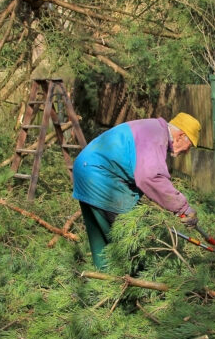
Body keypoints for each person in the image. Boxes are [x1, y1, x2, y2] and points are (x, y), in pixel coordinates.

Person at [72, 113, 201, 270]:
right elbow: (150, 177)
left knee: (102, 242)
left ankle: (103, 285)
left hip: (85, 171)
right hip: (100, 177)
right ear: (181, 135)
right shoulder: (155, 135)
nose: (187, 152)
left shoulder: (150, 128)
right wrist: (183, 208)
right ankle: (133, 286)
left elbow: (133, 168)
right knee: (130, 240)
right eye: (190, 146)